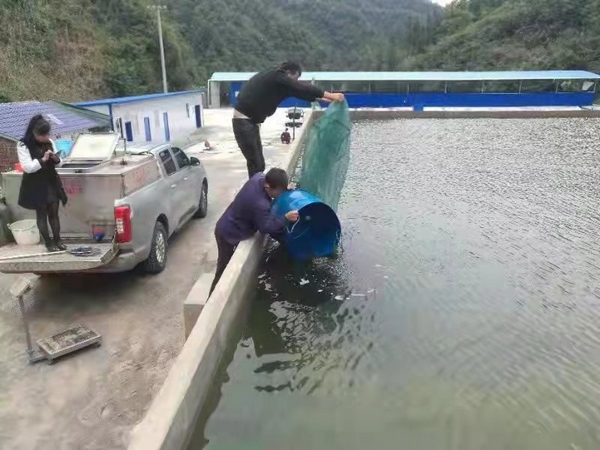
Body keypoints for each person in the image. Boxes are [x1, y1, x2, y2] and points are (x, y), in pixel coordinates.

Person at [233, 61, 345, 178]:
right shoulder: (276, 75)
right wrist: (331, 95)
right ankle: (254, 193)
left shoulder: (279, 83)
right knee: (255, 163)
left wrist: (323, 98)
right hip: (243, 121)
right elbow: (300, 87)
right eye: (295, 79)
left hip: (251, 123)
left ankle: (258, 191)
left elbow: (300, 92)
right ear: (288, 73)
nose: (295, 82)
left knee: (259, 164)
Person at [210, 168, 299, 295]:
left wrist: (284, 189)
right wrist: (285, 218)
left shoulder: (259, 177)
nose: (279, 195)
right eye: (278, 192)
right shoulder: (260, 203)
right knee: (223, 270)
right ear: (268, 187)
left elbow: (274, 189)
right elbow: (266, 228)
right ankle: (212, 299)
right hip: (228, 233)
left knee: (223, 267)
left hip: (229, 219)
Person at [17, 115, 68, 252]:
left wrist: (56, 158)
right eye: (42, 135)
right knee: (42, 214)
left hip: (51, 182)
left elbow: (60, 162)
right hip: (35, 185)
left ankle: (58, 240)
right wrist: (43, 159)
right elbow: (27, 167)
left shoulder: (50, 142)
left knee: (54, 213)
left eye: (47, 134)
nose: (46, 138)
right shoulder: (23, 145)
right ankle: (49, 243)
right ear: (34, 133)